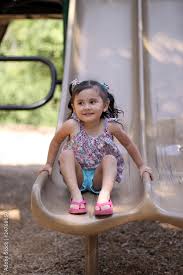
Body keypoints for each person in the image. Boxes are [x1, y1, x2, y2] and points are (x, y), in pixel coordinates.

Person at [39, 79, 153, 216]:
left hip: (100, 178)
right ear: (74, 107)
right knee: (66, 154)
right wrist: (48, 164)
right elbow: (56, 142)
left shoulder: (110, 126)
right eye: (80, 103)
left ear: (105, 105)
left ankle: (104, 198)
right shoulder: (71, 125)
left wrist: (141, 166)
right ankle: (76, 197)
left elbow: (128, 144)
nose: (86, 107)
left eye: (92, 102)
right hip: (77, 176)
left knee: (110, 158)